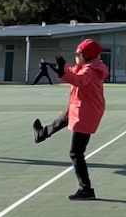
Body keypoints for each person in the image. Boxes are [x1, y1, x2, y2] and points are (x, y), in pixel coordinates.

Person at [31, 39, 108, 200]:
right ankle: (41, 134)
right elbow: (73, 70)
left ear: (86, 56)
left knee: (76, 153)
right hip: (79, 109)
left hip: (85, 114)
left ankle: (86, 189)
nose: (75, 56)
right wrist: (60, 68)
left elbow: (79, 80)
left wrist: (61, 72)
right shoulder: (88, 66)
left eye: (77, 54)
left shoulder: (88, 71)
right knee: (61, 120)